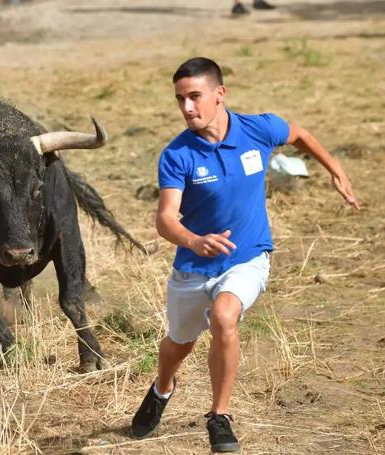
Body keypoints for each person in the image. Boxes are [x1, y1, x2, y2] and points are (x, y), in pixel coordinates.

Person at [130, 57, 359, 452]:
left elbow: (299, 134)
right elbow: (166, 219)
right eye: (180, 99)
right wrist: (193, 240)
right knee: (177, 346)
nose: (187, 108)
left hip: (248, 256)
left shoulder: (258, 128)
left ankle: (219, 416)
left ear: (220, 94)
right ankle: (162, 387)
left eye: (195, 97)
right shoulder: (177, 154)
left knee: (224, 316)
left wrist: (334, 168)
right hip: (193, 267)